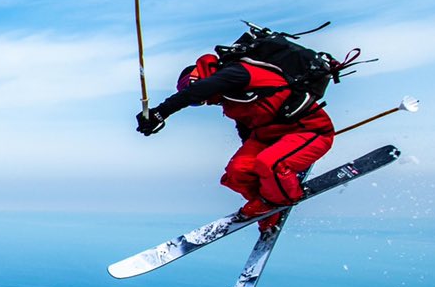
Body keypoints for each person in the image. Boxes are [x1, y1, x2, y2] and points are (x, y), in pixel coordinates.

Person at [134, 40, 336, 234]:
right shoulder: (230, 100)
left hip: (309, 131)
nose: (202, 102)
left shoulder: (237, 73)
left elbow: (198, 91)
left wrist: (160, 112)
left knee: (270, 164)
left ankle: (280, 199)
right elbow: (246, 129)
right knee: (237, 173)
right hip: (268, 138)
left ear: (198, 79)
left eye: (190, 88)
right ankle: (267, 211)